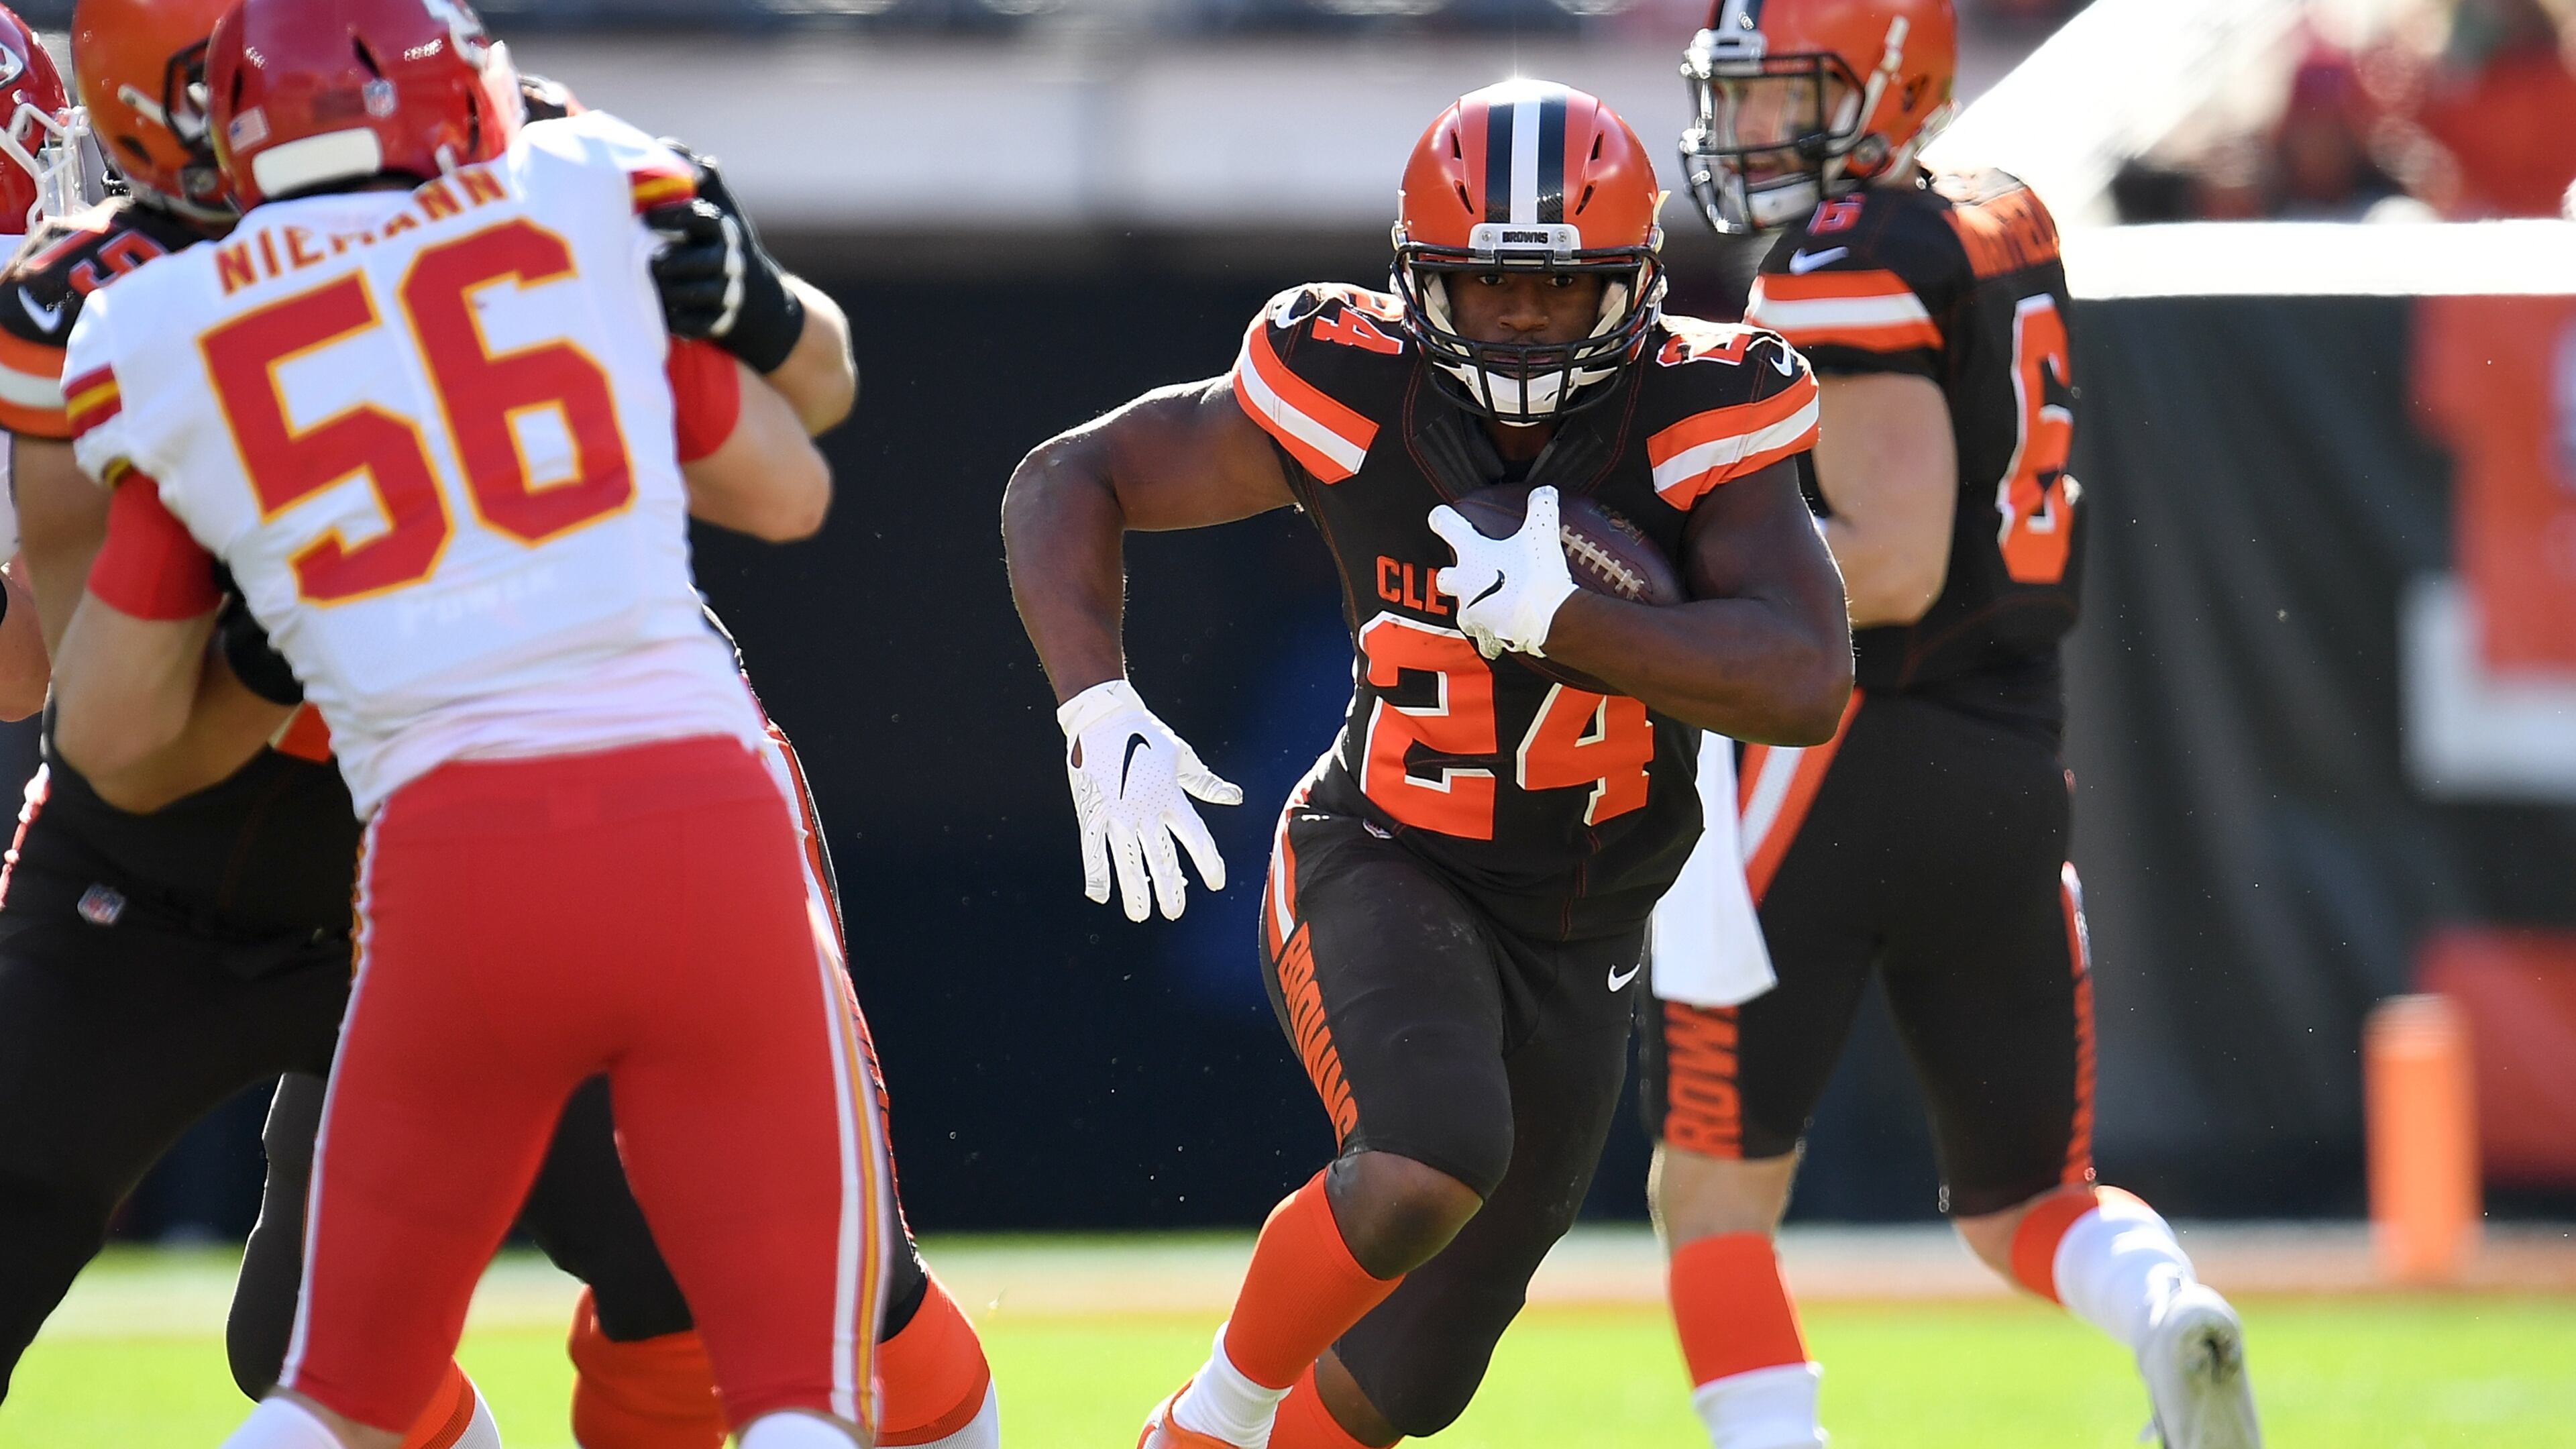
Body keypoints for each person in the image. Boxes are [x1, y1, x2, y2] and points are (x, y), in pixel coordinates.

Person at [0, 3, 999, 1443]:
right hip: (250, 847)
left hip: (467, 789)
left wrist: (294, 612)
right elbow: (103, 737)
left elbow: (107, 712)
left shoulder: (146, 318)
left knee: (733, 1302)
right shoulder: (531, 185)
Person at [1004, 78, 1850, 1449]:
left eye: (1562, 290)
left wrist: (1573, 625)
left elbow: (1808, 681)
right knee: (1424, 1158)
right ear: (1414, 282)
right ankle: (1202, 1427)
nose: (1521, 320)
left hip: (1587, 921)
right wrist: (1097, 705)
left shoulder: (1703, 414)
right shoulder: (1349, 383)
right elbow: (1068, 478)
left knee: (1423, 1365)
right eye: (1484, 287)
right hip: (1389, 850)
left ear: (1635, 286)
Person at [1647, 2, 2262, 1448]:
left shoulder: (1840, 264)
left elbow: (1894, 555)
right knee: (2025, 1201)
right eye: (1734, 97)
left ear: (1888, 86)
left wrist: (1669, 593)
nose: (1742, 131)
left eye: (1781, 95)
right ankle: (2166, 1307)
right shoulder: (1999, 222)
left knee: (1713, 1191)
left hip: (1834, 754)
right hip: (2009, 762)